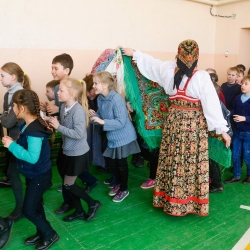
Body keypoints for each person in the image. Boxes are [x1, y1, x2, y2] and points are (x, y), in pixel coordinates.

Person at [122, 40, 231, 216]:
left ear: (177, 56)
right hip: (193, 127)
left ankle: (169, 200)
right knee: (190, 163)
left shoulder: (168, 71)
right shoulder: (201, 77)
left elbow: (152, 65)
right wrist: (223, 131)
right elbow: (211, 106)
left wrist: (135, 54)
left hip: (173, 124)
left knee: (172, 160)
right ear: (196, 58)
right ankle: (189, 203)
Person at [1, 89, 59, 250]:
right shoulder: (30, 125)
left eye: (14, 106)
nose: (12, 109)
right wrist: (13, 142)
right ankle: (42, 232)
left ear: (22, 108)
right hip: (34, 174)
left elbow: (32, 157)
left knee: (28, 210)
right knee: (37, 205)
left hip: (39, 176)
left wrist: (12, 145)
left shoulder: (34, 131)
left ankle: (50, 234)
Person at [49, 78, 101, 221]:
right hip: (67, 151)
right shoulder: (63, 107)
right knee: (68, 185)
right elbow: (65, 128)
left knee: (69, 185)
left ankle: (92, 203)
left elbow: (78, 134)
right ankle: (78, 211)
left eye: (61, 90)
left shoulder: (78, 111)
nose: (57, 93)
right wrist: (53, 124)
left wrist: (58, 127)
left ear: (72, 94)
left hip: (77, 153)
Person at [91, 71, 141, 202]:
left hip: (123, 137)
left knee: (121, 164)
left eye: (96, 83)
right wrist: (95, 116)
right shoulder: (101, 98)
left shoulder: (116, 99)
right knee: (111, 162)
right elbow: (101, 114)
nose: (93, 86)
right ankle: (118, 182)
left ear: (105, 84)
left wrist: (102, 122)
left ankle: (124, 189)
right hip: (112, 136)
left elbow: (121, 122)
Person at [0, 62, 31, 221]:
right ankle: (28, 203)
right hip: (13, 138)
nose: (0, 79)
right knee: (15, 172)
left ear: (13, 77)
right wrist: (6, 115)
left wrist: (5, 116)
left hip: (21, 138)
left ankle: (22, 207)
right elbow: (8, 118)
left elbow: (8, 122)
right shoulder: (8, 94)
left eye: (2, 75)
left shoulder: (19, 95)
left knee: (17, 172)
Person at [48, 53, 76, 214]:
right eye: (51, 67)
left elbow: (76, 109)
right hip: (65, 135)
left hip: (73, 137)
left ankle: (71, 201)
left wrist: (57, 109)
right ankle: (70, 198)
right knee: (63, 166)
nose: (52, 71)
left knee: (69, 169)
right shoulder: (58, 87)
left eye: (55, 68)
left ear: (66, 70)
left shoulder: (73, 86)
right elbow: (62, 113)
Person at [209, 73, 233, 193]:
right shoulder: (216, 103)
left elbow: (221, 122)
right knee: (212, 158)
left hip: (223, 134)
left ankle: (217, 184)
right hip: (220, 133)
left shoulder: (215, 104)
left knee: (212, 158)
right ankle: (214, 181)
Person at [225, 75, 250, 184]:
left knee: (247, 156)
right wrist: (230, 113)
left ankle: (249, 176)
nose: (242, 86)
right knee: (235, 155)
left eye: (246, 84)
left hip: (248, 133)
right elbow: (234, 110)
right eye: (242, 83)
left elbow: (244, 116)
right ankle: (236, 175)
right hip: (237, 132)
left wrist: (245, 118)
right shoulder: (237, 98)